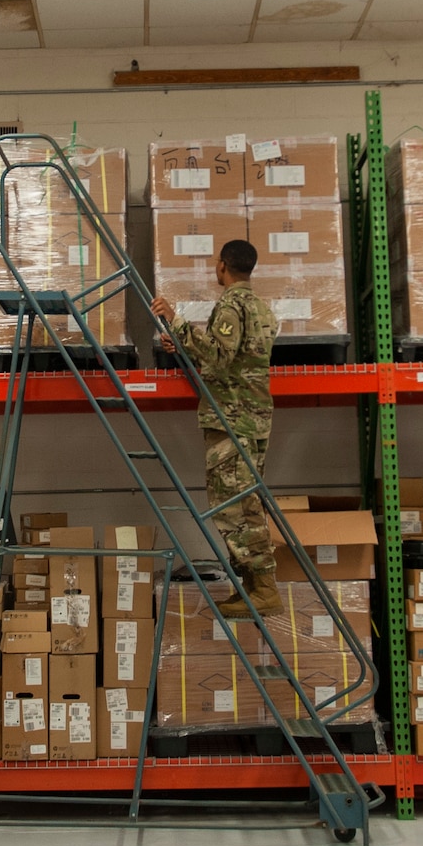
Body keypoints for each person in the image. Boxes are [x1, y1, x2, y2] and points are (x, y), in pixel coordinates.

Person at [150, 238, 279, 616]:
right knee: (246, 502)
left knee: (232, 507)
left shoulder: (231, 304)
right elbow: (235, 357)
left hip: (232, 418)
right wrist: (184, 344)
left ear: (221, 265)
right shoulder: (261, 307)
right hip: (253, 417)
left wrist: (175, 322)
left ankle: (264, 587)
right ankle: (254, 587)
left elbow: (220, 358)